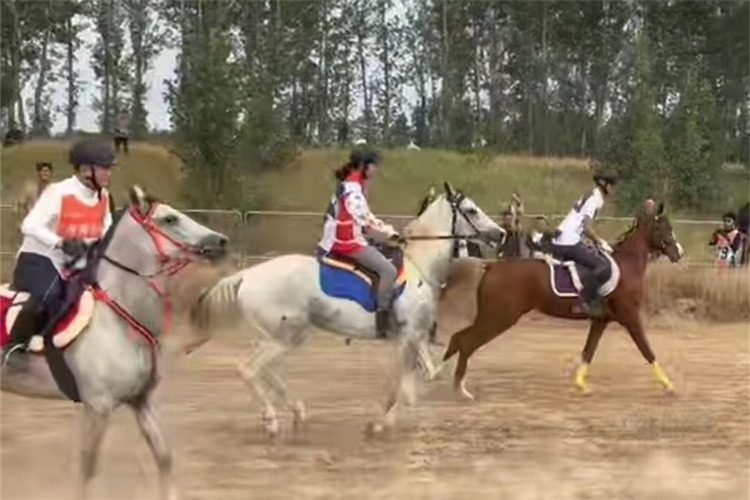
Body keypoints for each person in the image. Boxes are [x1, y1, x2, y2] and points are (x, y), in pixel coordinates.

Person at [3, 139, 115, 363]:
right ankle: (14, 348)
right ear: (86, 170)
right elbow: (29, 225)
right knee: (50, 295)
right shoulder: (58, 192)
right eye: (104, 168)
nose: (109, 173)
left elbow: (106, 228)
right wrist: (60, 243)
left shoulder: (102, 196)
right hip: (39, 259)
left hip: (77, 262)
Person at [318, 149, 400, 338]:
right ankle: (383, 319)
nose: (375, 170)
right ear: (363, 166)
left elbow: (364, 218)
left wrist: (386, 232)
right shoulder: (353, 190)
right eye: (373, 166)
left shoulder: (352, 185)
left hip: (349, 237)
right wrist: (390, 233)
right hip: (346, 243)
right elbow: (364, 218)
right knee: (388, 270)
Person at [550, 171, 616, 318]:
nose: (613, 189)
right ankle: (584, 302)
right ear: (605, 185)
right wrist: (600, 241)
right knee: (603, 266)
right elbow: (587, 227)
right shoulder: (596, 199)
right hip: (568, 242)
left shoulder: (590, 194)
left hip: (562, 238)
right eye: (612, 185)